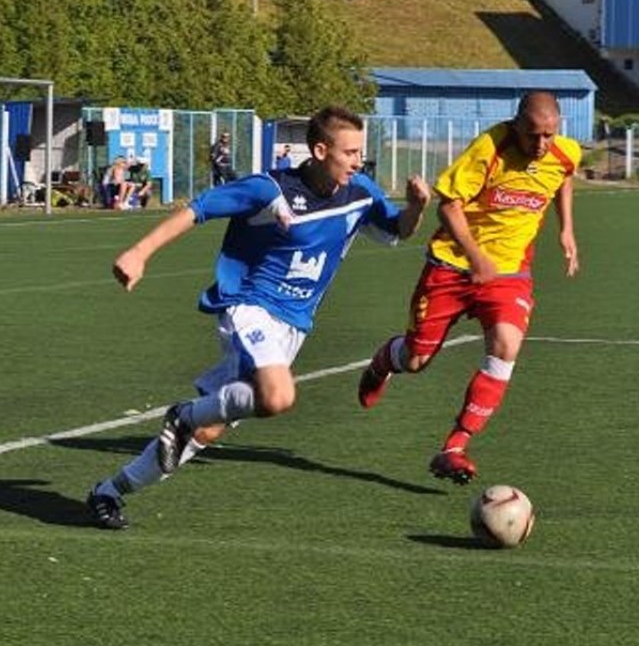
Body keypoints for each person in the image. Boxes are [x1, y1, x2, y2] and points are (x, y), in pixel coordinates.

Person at [85, 106, 432, 529]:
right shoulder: (270, 189)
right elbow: (199, 208)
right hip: (251, 307)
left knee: (207, 432)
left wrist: (415, 207)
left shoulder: (359, 191)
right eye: (351, 152)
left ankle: (110, 490)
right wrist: (139, 252)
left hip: (295, 325)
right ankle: (183, 414)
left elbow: (398, 230)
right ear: (321, 150)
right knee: (278, 396)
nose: (360, 161)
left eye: (361, 151)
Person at [356, 91, 580, 485]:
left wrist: (566, 230)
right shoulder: (490, 148)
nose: (541, 145)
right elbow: (448, 205)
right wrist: (477, 258)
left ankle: (454, 447)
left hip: (508, 272)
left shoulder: (564, 153)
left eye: (549, 135)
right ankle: (383, 361)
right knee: (415, 360)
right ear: (516, 124)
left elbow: (563, 179)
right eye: (532, 135)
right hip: (452, 265)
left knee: (506, 345)